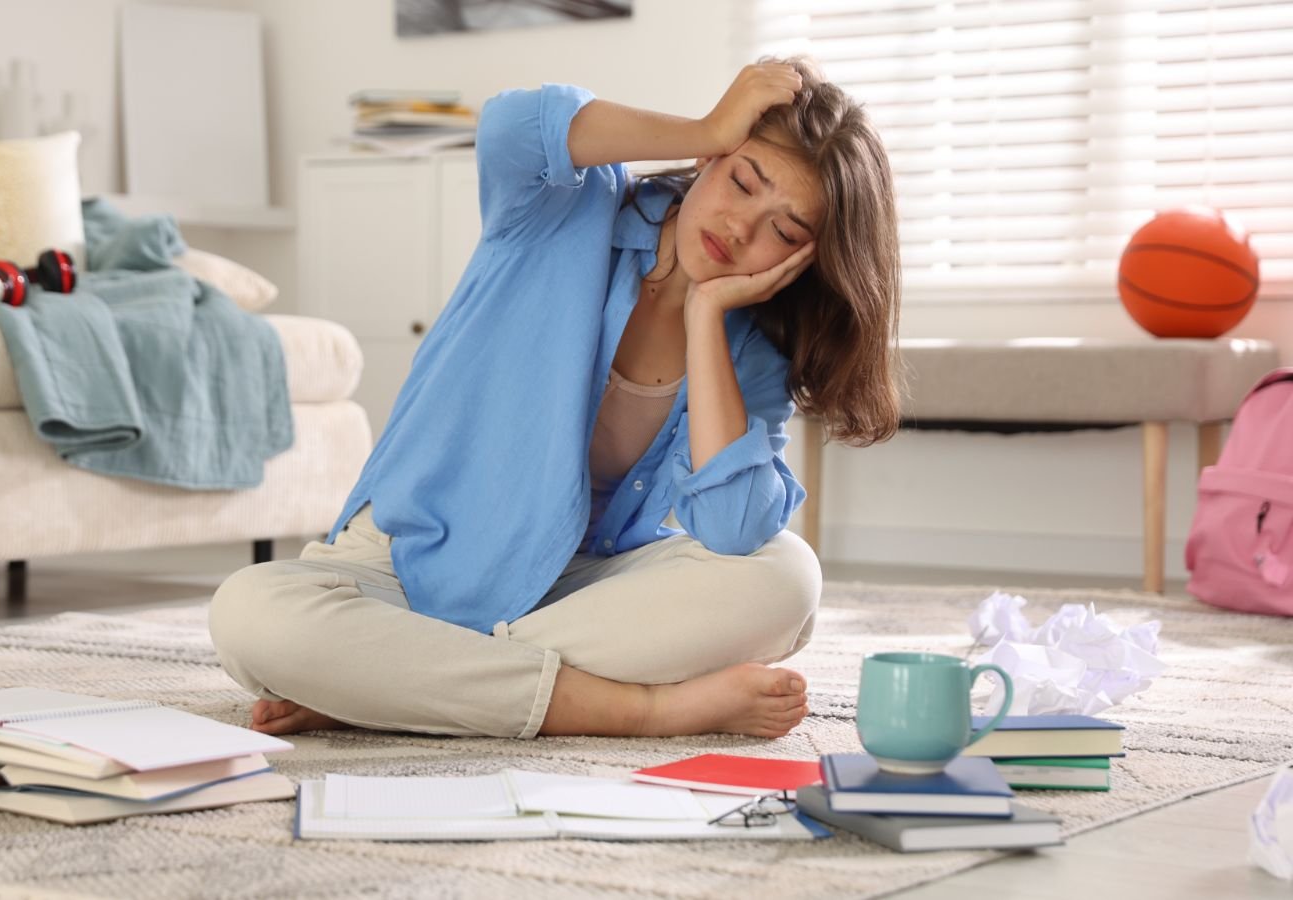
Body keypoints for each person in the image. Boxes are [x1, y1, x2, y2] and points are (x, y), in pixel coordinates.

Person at [210, 56, 902, 741]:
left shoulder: (750, 349)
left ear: (806, 261)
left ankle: (396, 684)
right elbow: (513, 126)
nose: (741, 227)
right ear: (711, 160)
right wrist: (707, 123)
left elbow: (730, 529)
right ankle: (634, 711)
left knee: (787, 581)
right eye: (742, 180)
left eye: (783, 231)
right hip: (402, 564)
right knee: (249, 614)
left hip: (576, 588)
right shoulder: (567, 206)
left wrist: (705, 318)